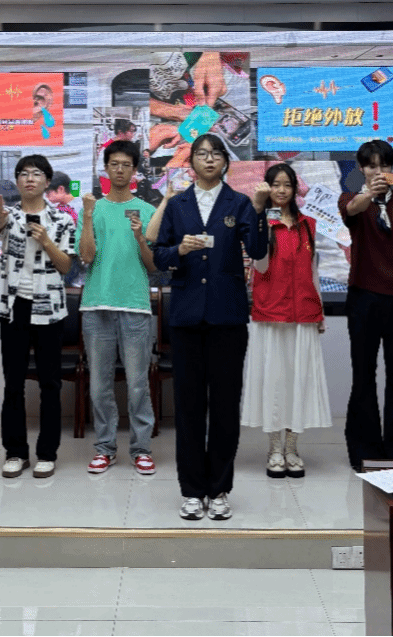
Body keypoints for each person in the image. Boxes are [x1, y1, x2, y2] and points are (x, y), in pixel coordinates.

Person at [153, 133, 268, 520]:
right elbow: (159, 256)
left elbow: (257, 251)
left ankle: (218, 489)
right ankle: (191, 490)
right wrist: (179, 250)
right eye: (201, 154)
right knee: (188, 408)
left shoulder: (239, 203)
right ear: (192, 162)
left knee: (224, 407)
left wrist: (260, 211)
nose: (209, 159)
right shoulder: (177, 204)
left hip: (227, 317)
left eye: (216, 153)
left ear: (224, 161)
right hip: (186, 317)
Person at [338, 140, 393, 472]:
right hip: (363, 297)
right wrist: (369, 194)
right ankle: (364, 450)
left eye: (384, 165)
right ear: (362, 169)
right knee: (363, 374)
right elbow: (352, 210)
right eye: (372, 166)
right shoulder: (352, 199)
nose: (379, 171)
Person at [240, 163, 332, 478]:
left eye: (287, 185)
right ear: (267, 188)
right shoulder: (261, 223)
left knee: (298, 382)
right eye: (275, 184)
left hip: (304, 315)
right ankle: (274, 449)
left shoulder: (308, 225)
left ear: (294, 190)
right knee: (274, 383)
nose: (281, 190)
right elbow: (260, 267)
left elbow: (313, 271)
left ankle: (292, 448)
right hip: (271, 315)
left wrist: (320, 311)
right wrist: (260, 222)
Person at [0, 155, 76, 480]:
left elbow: (66, 267)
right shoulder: (8, 216)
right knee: (13, 383)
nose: (29, 178)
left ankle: (47, 454)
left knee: (50, 383)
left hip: (48, 307)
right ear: (17, 181)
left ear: (47, 182)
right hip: (14, 306)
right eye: (23, 173)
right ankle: (15, 453)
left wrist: (47, 241)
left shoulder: (62, 219)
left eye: (36, 173)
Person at [77, 140, 158, 475]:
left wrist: (140, 237)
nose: (120, 170)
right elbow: (86, 256)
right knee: (99, 385)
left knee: (138, 384)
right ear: (106, 169)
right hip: (96, 305)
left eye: (126, 164)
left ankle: (141, 449)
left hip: (135, 306)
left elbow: (153, 265)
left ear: (135, 170)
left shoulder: (147, 211)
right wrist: (88, 215)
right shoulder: (93, 209)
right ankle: (105, 448)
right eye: (115, 164)